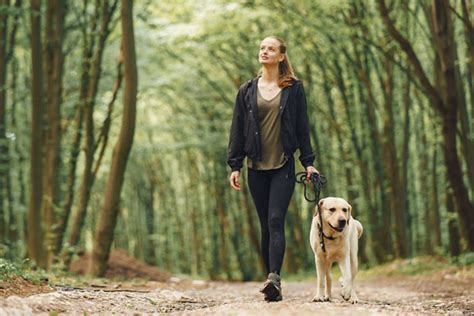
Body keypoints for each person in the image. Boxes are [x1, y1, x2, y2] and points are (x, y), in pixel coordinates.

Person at [227, 36, 319, 302]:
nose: (264, 51)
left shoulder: (293, 89)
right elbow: (237, 128)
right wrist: (235, 164)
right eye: (262, 48)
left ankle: (274, 278)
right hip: (255, 165)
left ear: (281, 56)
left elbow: (303, 127)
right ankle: (271, 280)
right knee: (265, 227)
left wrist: (309, 161)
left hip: (284, 165)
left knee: (276, 220)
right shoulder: (246, 90)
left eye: (270, 48)